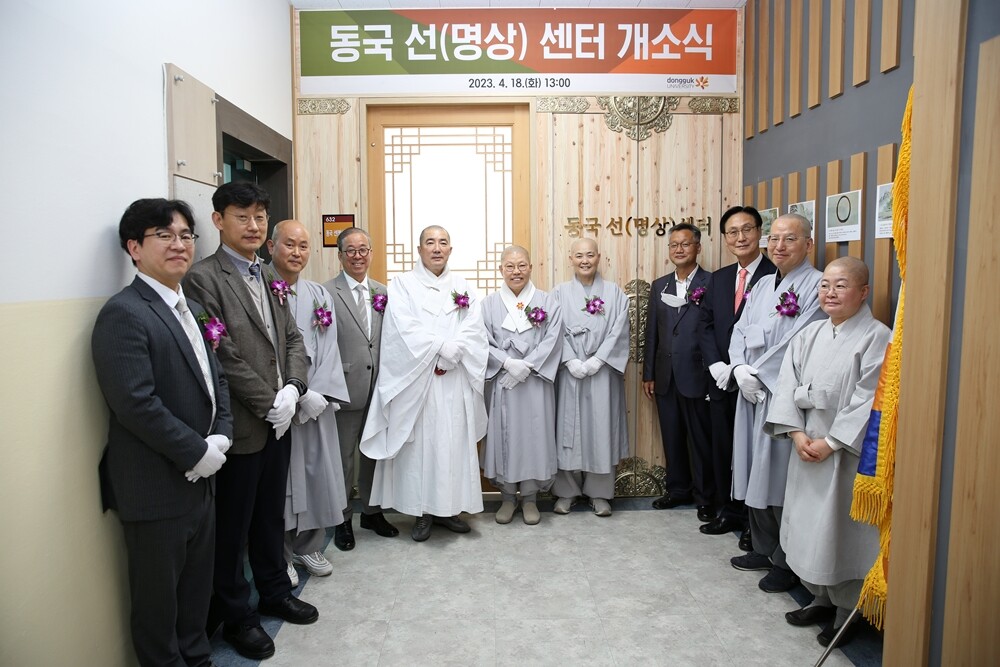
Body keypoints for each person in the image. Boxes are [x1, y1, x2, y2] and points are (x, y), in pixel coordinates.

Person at [92, 198, 233, 667]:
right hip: (155, 487)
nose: (179, 245)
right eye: (164, 235)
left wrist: (222, 436)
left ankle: (198, 658)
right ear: (134, 247)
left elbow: (217, 380)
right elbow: (135, 403)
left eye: (186, 235)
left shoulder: (191, 307)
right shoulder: (124, 313)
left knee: (195, 596)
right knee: (158, 607)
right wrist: (196, 451)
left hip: (202, 482)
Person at [183, 182, 318, 660]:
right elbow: (222, 353)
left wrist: (293, 389)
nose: (254, 225)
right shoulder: (202, 278)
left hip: (278, 421)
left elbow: (293, 339)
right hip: (240, 426)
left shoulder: (269, 274)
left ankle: (275, 592)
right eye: (242, 216)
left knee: (269, 515)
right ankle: (237, 615)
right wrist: (268, 402)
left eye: (260, 216)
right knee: (232, 527)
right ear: (218, 221)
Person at [765, 257, 889, 648]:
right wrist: (796, 433)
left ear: (863, 292)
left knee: (841, 532)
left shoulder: (877, 337)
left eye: (840, 285)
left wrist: (831, 442)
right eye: (825, 285)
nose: (830, 293)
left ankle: (848, 610)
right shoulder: (810, 334)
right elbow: (786, 385)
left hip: (844, 453)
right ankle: (819, 597)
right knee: (808, 527)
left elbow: (869, 399)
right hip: (806, 445)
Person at [360, 225, 489, 541]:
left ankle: (449, 509)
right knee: (422, 447)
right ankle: (422, 512)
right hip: (418, 381)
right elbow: (402, 329)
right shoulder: (403, 285)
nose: (437, 248)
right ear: (419, 250)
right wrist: (439, 348)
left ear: (450, 249)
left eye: (443, 242)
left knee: (452, 444)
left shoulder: (462, 286)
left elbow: (474, 328)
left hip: (454, 379)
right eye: (430, 242)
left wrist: (454, 353)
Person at [723, 213, 826, 593]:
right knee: (752, 470)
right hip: (751, 390)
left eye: (790, 239)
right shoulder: (764, 283)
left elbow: (798, 341)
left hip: (782, 396)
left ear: (808, 244)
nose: (779, 246)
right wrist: (738, 369)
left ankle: (786, 560)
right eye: (775, 238)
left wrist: (759, 373)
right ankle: (763, 548)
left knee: (778, 478)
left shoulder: (817, 285)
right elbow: (739, 330)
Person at [265, 220, 351, 581]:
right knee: (280, 483)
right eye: (289, 244)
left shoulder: (318, 294)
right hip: (279, 406)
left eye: (303, 246)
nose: (297, 252)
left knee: (317, 475)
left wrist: (317, 393)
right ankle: (279, 554)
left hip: (316, 403)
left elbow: (329, 348)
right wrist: (294, 393)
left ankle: (309, 546)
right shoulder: (260, 288)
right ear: (271, 247)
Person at [698, 206, 776, 548]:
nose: (740, 237)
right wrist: (716, 364)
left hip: (755, 381)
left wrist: (743, 368)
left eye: (747, 229)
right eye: (733, 232)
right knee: (723, 446)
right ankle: (729, 510)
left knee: (754, 453)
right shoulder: (719, 278)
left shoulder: (775, 275)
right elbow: (706, 324)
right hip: (722, 380)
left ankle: (752, 522)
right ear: (725, 238)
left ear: (759, 232)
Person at [323, 227, 399, 550]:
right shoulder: (326, 292)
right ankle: (342, 518)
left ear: (371, 253)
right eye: (350, 251)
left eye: (363, 250)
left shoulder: (383, 292)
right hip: (343, 388)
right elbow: (322, 343)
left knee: (373, 454)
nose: (357, 256)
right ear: (340, 256)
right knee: (343, 459)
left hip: (379, 388)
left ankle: (372, 511)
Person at [481, 246, 563, 525]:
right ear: (501, 269)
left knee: (534, 435)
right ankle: (507, 497)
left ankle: (530, 498)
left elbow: (553, 339)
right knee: (504, 434)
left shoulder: (547, 301)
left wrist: (526, 366)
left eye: (521, 265)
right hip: (503, 381)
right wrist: (506, 363)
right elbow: (480, 340)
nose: (516, 271)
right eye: (510, 266)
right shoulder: (488, 304)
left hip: (535, 381)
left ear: (530, 267)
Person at [551, 238, 630, 517]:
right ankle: (566, 491)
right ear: (570, 258)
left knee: (601, 428)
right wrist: (570, 359)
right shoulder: (558, 293)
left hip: (602, 370)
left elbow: (620, 329)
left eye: (590, 255)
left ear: (599, 257)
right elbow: (552, 330)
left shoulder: (614, 292)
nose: (585, 260)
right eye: (579, 255)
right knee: (567, 429)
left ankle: (599, 493)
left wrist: (599, 359)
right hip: (569, 370)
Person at [643, 223, 714, 522]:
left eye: (685, 244)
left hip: (698, 374)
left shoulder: (712, 283)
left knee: (700, 439)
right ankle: (678, 490)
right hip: (665, 374)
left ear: (698, 247)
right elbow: (652, 332)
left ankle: (705, 496)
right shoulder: (659, 285)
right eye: (674, 245)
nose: (679, 249)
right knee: (671, 436)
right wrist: (649, 373)